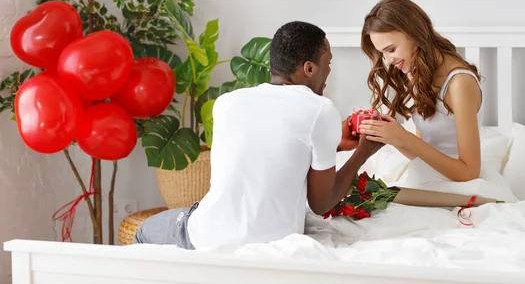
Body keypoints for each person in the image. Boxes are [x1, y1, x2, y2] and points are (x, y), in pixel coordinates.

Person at [134, 21, 383, 249]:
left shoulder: (227, 103)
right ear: (309, 68)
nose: (329, 70)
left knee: (143, 234)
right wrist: (363, 152)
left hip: (207, 235)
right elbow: (321, 204)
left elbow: (265, 152)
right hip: (273, 242)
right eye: (327, 62)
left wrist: (332, 144)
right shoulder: (321, 109)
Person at [357, 0, 484, 186]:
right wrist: (394, 137)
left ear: (414, 35)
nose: (388, 60)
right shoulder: (418, 72)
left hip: (462, 184)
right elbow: (422, 155)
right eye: (382, 53)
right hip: (432, 178)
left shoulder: (459, 83)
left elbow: (469, 173)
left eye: (391, 49)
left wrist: (405, 138)